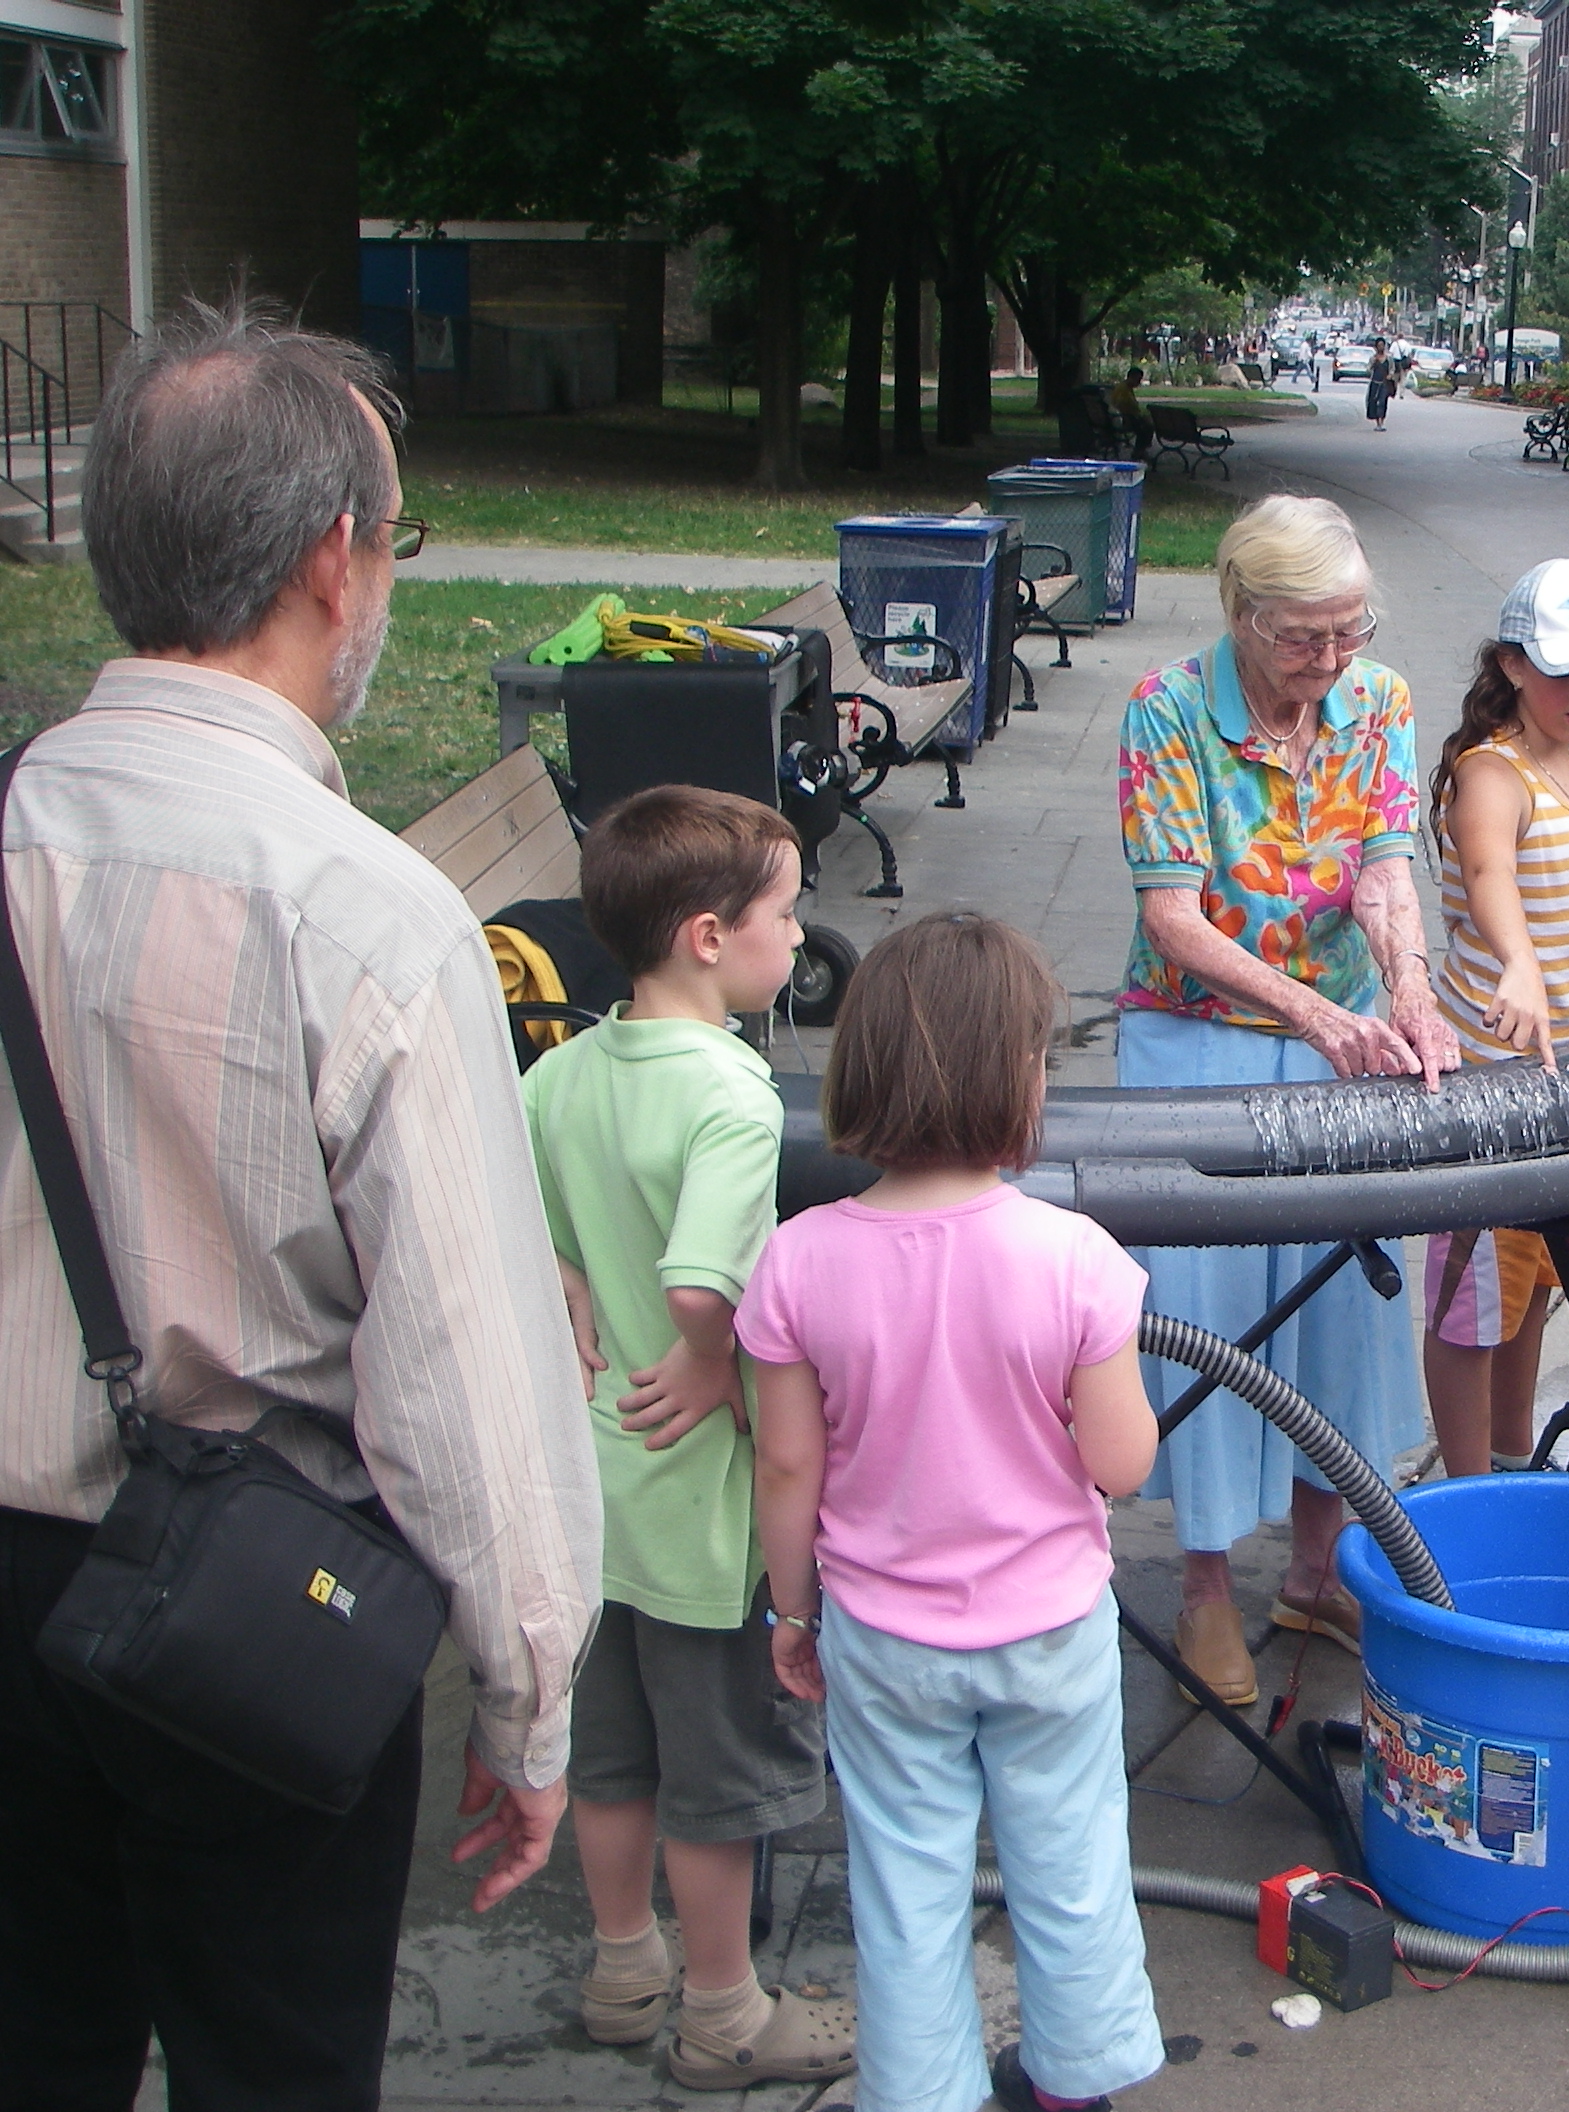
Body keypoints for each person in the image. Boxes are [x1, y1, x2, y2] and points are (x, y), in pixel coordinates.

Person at [0, 298, 602, 2109]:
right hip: (258, 1599)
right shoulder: (365, 916)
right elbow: (468, 1373)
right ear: (335, 560)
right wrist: (527, 1696)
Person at [744, 914, 1164, 2112]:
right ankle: (1074, 2080)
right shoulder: (1073, 1256)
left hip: (882, 1636)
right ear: (1018, 1078)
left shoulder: (797, 1260)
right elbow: (1121, 1464)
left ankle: (922, 2092)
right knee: (1071, 1863)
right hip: (1048, 1632)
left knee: (904, 1884)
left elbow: (786, 1469)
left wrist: (792, 1613)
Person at [520, 785, 854, 2091]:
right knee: (715, 1780)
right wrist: (715, 1360)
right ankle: (723, 2013)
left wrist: (568, 1276)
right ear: (710, 938)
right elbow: (701, 1287)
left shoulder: (560, 1072)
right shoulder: (732, 1093)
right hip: (702, 1516)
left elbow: (532, 1224)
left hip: (592, 1486)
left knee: (610, 1760)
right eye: (786, 912)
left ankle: (623, 1969)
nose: (800, 933)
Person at [1114, 495, 1455, 1705]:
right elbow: (1172, 917)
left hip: (1345, 1034)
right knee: (1211, 1318)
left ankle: (1318, 1568)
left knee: (1342, 1310)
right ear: (1241, 614)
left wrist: (1409, 989)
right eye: (1303, 637)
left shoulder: (1378, 699)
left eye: (1349, 630)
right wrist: (1314, 1017)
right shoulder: (1166, 710)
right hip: (1199, 1038)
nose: (1329, 659)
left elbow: (1385, 867)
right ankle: (1205, 1586)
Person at [1422, 560, 1569, 1476]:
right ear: (1512, 664)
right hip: (1490, 1085)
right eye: (1565, 671)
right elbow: (1489, 876)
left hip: (1561, 1073)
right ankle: (1467, 1493)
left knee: (1536, 1278)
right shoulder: (1493, 772)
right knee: (1470, 1302)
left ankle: (1513, 1460)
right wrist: (1519, 963)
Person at [1109, 366, 1156, 454]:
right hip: (1125, 418)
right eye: (1138, 379)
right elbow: (1123, 406)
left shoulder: (1125, 387)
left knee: (1146, 425)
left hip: (1126, 417)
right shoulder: (1123, 390)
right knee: (1146, 427)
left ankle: (1140, 450)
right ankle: (1139, 451)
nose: (1139, 382)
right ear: (1131, 377)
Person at [1365, 339, 1394, 430]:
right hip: (1375, 383)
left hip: (1384, 384)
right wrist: (1373, 364)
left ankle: (1382, 422)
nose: (1381, 347)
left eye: (1382, 345)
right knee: (1374, 403)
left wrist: (1390, 375)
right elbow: (1368, 370)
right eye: (1379, 345)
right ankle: (1378, 423)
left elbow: (1392, 369)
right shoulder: (1373, 358)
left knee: (1382, 402)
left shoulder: (1388, 358)